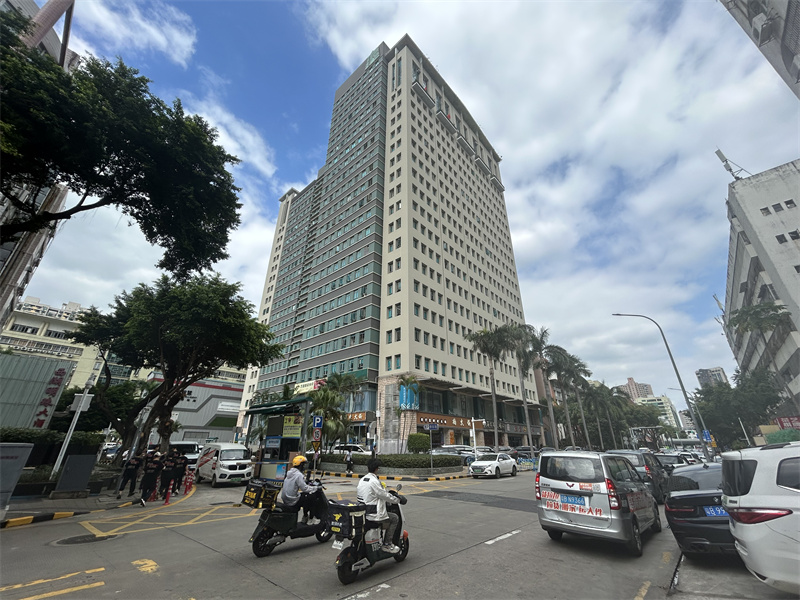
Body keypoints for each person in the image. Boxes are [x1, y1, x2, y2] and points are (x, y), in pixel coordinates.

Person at [357, 458, 400, 554]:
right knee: (394, 518)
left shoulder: (362, 480)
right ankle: (387, 544)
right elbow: (384, 495)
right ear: (377, 469)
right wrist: (397, 500)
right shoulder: (374, 481)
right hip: (373, 514)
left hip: (363, 513)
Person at [280, 455, 318, 523]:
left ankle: (305, 517)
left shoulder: (289, 473)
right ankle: (309, 518)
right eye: (303, 465)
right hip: (292, 500)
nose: (304, 467)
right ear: (300, 465)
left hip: (286, 498)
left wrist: (305, 482)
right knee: (311, 497)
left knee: (303, 496)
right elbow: (305, 488)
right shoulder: (298, 475)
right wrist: (316, 488)